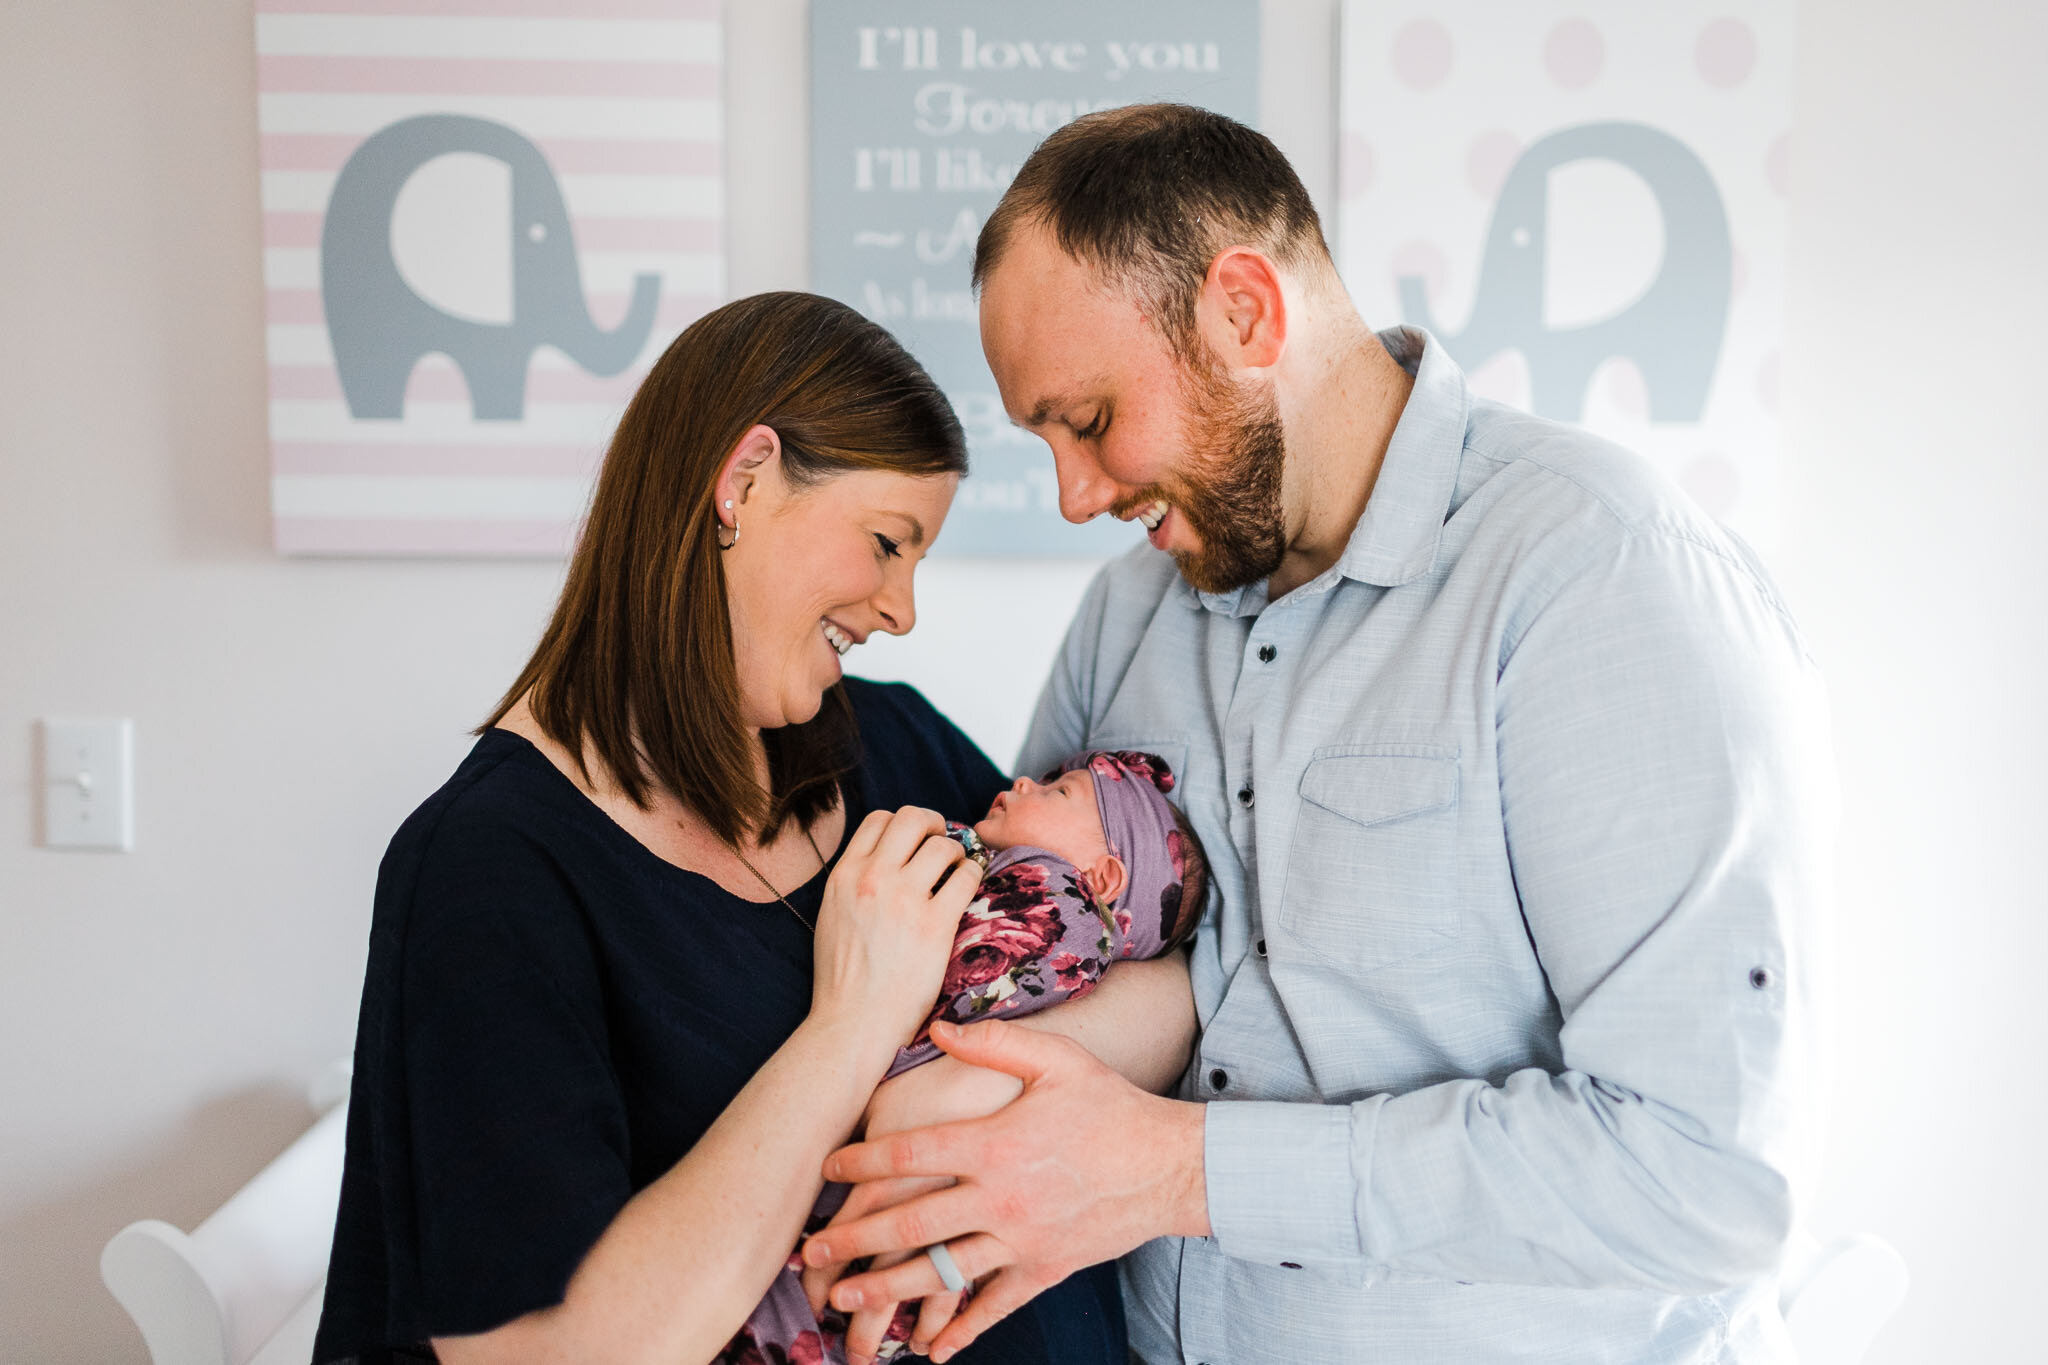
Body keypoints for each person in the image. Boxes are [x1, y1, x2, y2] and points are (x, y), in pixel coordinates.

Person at [797, 105, 1836, 1363]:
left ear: (1244, 312)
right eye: (1044, 441)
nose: (1076, 496)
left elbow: (1703, 1179)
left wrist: (1181, 1171)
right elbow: (1035, 953)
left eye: (1089, 419)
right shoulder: (1129, 614)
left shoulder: (1595, 577)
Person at [311, 291, 1197, 1365]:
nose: (901, 609)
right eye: (885, 542)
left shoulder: (892, 745)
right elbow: (551, 1351)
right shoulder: (489, 872)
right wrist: (851, 1024)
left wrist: (945, 1089)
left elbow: (1157, 972)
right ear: (742, 480)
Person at [729, 749, 1209, 1364]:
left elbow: (951, 985)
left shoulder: (1057, 902)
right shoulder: (1042, 904)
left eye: (1060, 794)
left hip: (888, 1177)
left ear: (1106, 879)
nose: (1025, 782)